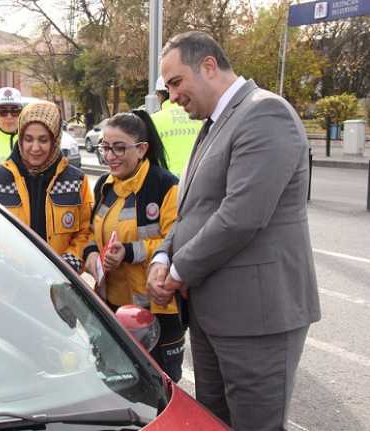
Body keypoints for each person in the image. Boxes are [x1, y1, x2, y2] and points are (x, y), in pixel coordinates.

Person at [147, 31, 320, 430]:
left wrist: (176, 273)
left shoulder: (265, 114)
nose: (172, 96)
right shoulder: (215, 123)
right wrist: (163, 254)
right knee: (214, 421)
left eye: (176, 82)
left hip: (258, 317)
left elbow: (242, 215)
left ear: (209, 65)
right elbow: (195, 210)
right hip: (214, 312)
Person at [82, 110, 184, 381]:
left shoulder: (165, 186)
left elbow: (176, 242)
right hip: (112, 307)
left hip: (155, 311)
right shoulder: (105, 185)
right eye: (106, 147)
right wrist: (92, 254)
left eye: (119, 148)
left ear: (141, 149)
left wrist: (128, 252)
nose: (110, 156)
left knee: (159, 385)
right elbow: (92, 232)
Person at [0, 101, 92, 273]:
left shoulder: (77, 181)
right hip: (9, 285)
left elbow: (86, 232)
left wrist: (66, 267)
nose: (35, 148)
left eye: (43, 140)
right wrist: (2, 265)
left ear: (55, 140)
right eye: (28, 139)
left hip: (60, 287)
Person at [150, 76, 202, 177]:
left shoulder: (153, 120)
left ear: (158, 95)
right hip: (194, 179)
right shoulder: (197, 118)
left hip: (167, 183)